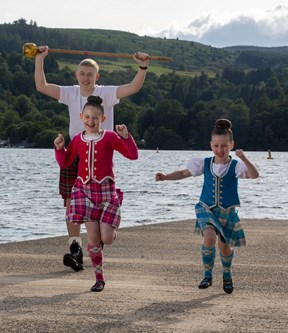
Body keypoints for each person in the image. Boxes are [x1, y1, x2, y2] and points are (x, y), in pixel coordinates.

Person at [35, 44, 149, 272]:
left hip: (101, 152)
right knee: (70, 205)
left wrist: (143, 67)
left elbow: (133, 87)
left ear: (97, 76)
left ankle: (97, 242)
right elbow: (42, 86)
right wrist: (40, 59)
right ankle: (75, 251)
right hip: (76, 150)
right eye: (82, 74)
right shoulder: (71, 92)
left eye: (90, 75)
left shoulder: (106, 92)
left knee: (96, 208)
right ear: (76, 75)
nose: (86, 78)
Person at [155, 119, 259, 294]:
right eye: (216, 145)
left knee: (224, 246)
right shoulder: (204, 163)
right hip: (206, 208)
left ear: (231, 144)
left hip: (227, 211)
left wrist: (244, 157)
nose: (220, 150)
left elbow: (254, 175)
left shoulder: (235, 166)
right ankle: (207, 275)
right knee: (209, 238)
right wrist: (165, 176)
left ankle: (227, 275)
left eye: (224, 146)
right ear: (211, 145)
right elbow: (183, 173)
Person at [54, 96, 139, 292]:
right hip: (85, 192)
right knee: (92, 239)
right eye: (88, 117)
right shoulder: (77, 139)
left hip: (106, 192)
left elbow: (132, 155)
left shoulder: (109, 137)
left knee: (106, 238)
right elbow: (65, 161)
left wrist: (126, 137)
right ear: (81, 116)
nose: (91, 122)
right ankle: (99, 278)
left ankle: (110, 232)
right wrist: (59, 149)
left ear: (103, 119)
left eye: (95, 118)